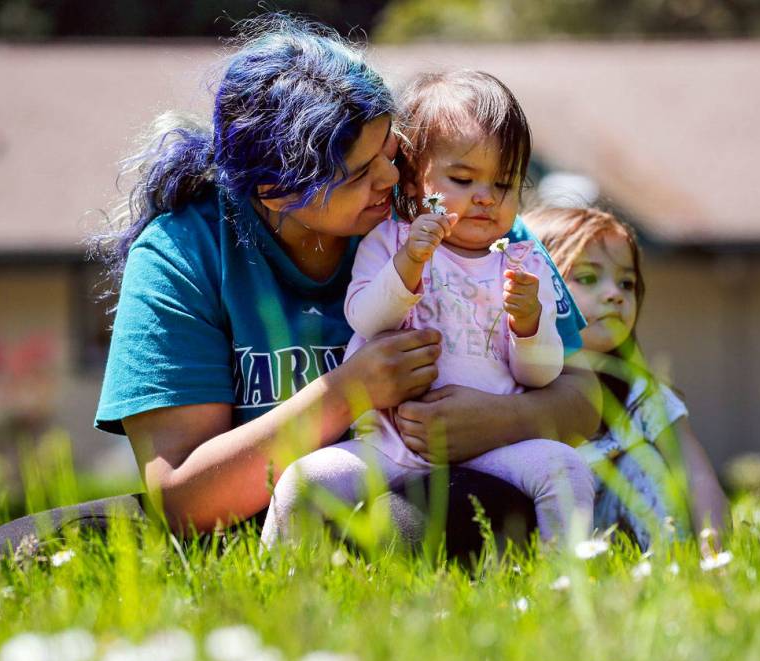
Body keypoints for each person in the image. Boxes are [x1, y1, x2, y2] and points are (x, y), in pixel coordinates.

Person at [89, 18, 601, 539]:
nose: (392, 178)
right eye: (360, 172)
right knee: (45, 542)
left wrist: (501, 421)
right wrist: (347, 392)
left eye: (391, 150)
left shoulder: (459, 218)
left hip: (438, 489)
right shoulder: (180, 252)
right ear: (277, 192)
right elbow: (184, 500)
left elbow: (582, 401)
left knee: (430, 516)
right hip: (261, 517)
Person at [260, 71, 594, 547]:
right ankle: (282, 579)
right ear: (417, 182)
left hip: (493, 446)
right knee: (302, 482)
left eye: (504, 183)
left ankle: (569, 576)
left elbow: (541, 375)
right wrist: (410, 264)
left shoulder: (523, 259)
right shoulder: (391, 240)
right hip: (389, 445)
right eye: (463, 179)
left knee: (568, 469)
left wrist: (530, 325)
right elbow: (366, 320)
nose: (485, 197)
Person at [530, 206, 730, 551]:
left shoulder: (641, 395)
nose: (614, 293)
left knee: (642, 463)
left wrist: (714, 549)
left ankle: (670, 560)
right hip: (542, 548)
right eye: (588, 278)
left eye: (627, 282)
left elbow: (697, 477)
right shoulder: (511, 389)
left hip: (632, 549)